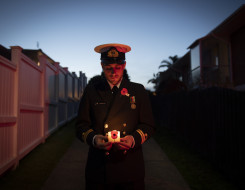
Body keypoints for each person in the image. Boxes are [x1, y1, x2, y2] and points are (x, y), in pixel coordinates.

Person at [76, 43, 155, 190]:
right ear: (101, 65)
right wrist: (94, 139)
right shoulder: (92, 91)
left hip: (130, 168)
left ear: (124, 65)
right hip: (99, 169)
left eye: (118, 67)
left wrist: (133, 139)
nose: (113, 72)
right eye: (108, 68)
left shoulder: (138, 91)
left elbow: (148, 125)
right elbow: (81, 126)